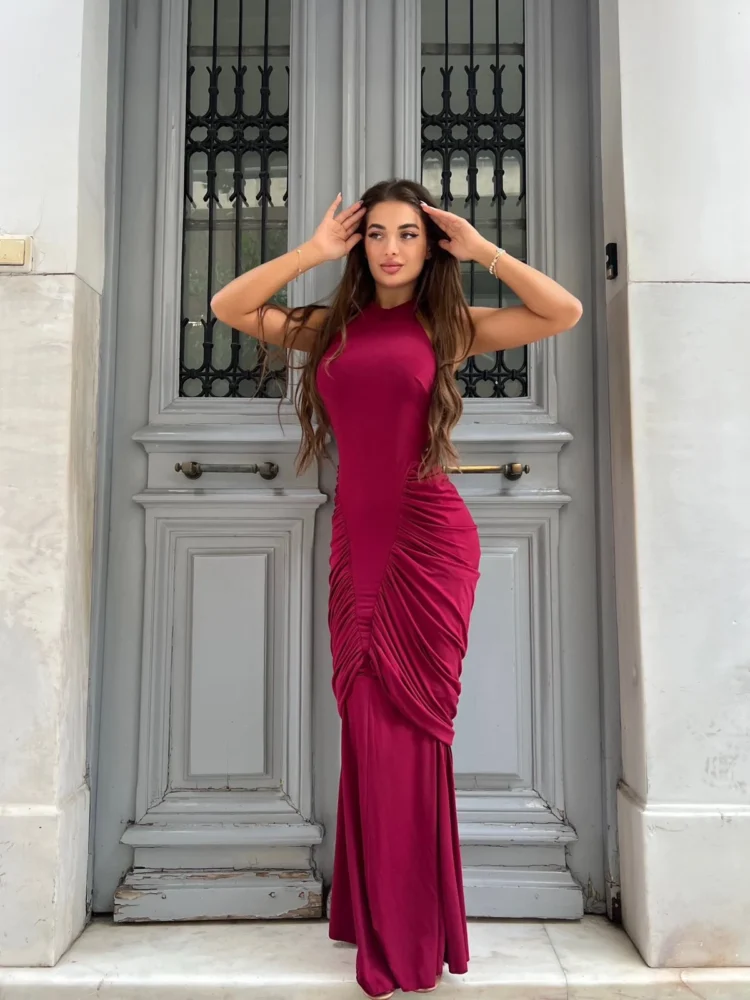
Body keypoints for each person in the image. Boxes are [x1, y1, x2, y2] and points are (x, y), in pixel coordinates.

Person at [211, 178, 582, 999]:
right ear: (359, 244)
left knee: (408, 737)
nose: (390, 249)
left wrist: (481, 251)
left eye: (408, 234)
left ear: (429, 244)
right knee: (368, 730)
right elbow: (230, 305)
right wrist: (312, 252)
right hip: (358, 544)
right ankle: (378, 915)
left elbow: (562, 312)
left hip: (428, 545)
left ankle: (409, 937)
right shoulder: (329, 327)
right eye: (376, 233)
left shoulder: (447, 325)